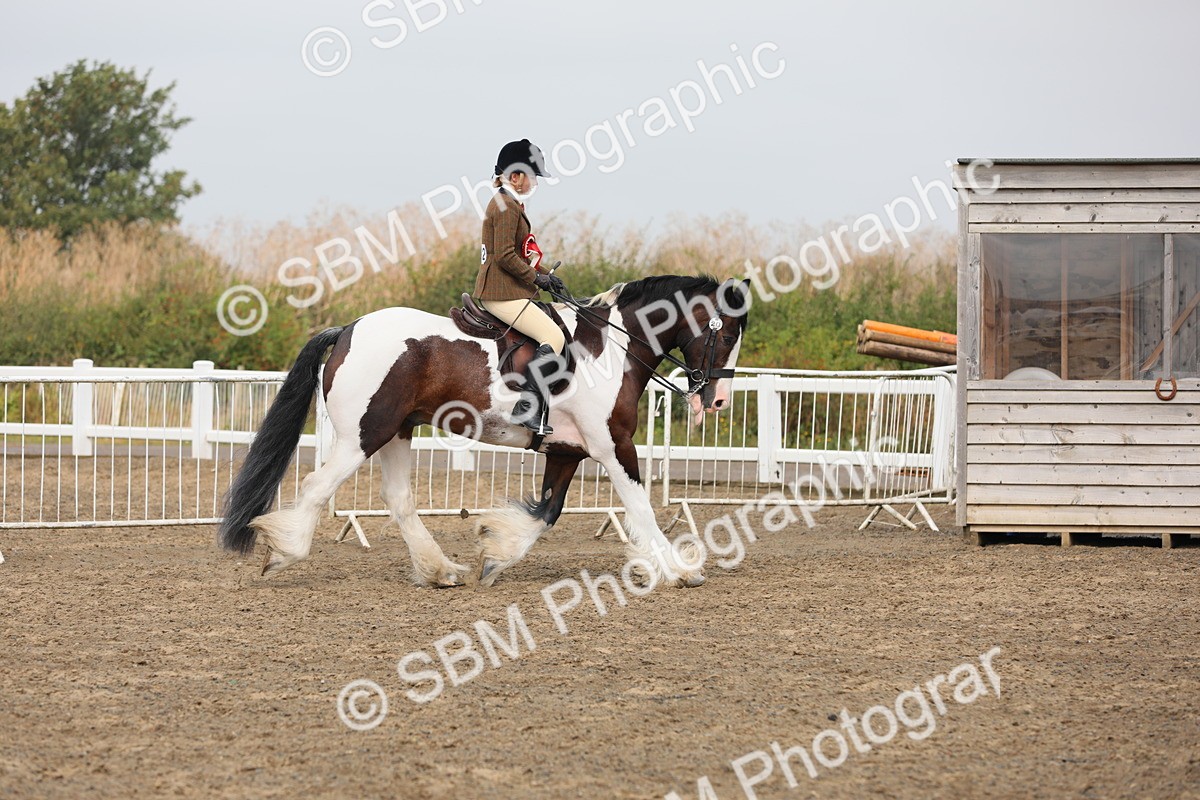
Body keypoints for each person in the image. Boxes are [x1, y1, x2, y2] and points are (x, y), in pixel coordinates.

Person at [474, 139, 567, 436]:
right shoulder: (506, 207)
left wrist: (546, 274)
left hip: (507, 289)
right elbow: (504, 256)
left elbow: (520, 253)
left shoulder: (509, 203)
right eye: (532, 176)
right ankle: (527, 409)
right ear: (515, 176)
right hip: (501, 293)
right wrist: (535, 279)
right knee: (553, 336)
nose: (535, 183)